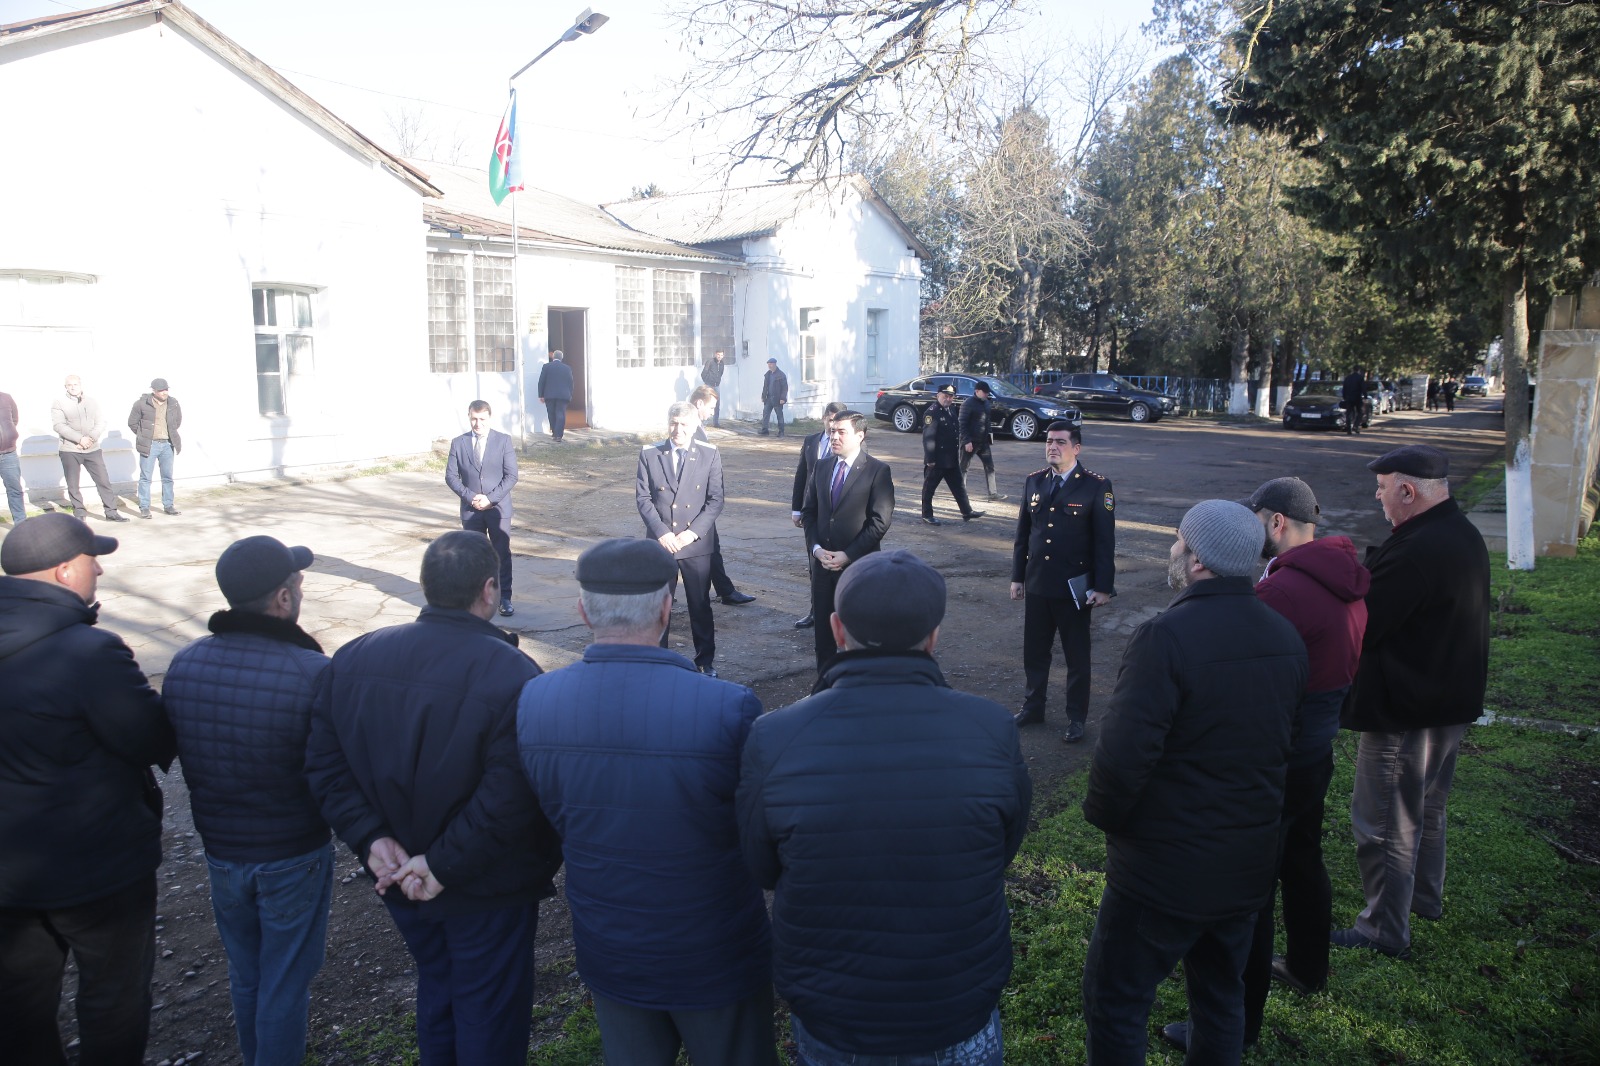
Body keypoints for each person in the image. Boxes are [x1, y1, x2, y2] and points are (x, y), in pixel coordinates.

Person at [738, 550, 1031, 1066]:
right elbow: (1001, 847)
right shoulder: (992, 728)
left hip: (835, 1013)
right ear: (934, 636)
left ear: (836, 629)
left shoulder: (775, 737)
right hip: (956, 1005)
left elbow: (763, 867)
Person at [305, 531, 562, 1066]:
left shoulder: (353, 658)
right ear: (489, 589)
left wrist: (373, 839)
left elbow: (327, 768)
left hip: (400, 877)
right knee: (488, 1012)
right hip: (482, 888)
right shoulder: (511, 673)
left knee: (441, 991)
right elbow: (511, 795)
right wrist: (435, 863)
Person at [518, 538, 777, 1066]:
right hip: (717, 954)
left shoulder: (537, 701)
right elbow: (760, 832)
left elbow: (549, 816)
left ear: (583, 611)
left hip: (611, 949)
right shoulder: (727, 707)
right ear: (667, 607)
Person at [1082, 500, 1307, 1066]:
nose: (1173, 550)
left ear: (1199, 561)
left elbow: (1123, 758)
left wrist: (1108, 820)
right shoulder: (1285, 635)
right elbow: (1288, 747)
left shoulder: (1165, 638)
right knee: (1220, 995)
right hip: (1245, 863)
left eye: (1180, 541)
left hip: (1164, 872)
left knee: (1117, 1001)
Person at [1163, 478, 1368, 1052]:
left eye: (1254, 523)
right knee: (1301, 860)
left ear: (1275, 523)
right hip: (1315, 749)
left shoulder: (1283, 592)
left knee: (1249, 893)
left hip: (1276, 757)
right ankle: (1307, 965)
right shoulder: (1341, 575)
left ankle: (1237, 1023)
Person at [0, 513, 176, 1064]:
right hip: (98, 869)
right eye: (93, 559)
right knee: (113, 997)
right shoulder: (88, 653)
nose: (99, 569)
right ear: (65, 571)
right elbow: (149, 737)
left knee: (20, 1007)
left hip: (8, 877)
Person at [162, 535, 331, 1066]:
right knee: (284, 983)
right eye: (298, 585)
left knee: (248, 974)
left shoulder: (185, 664)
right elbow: (333, 772)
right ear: (283, 599)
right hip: (292, 855)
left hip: (220, 851)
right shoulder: (312, 673)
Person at [1334, 444, 1489, 959]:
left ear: (1407, 490)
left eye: (1381, 490)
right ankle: (1421, 899)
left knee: (1384, 821)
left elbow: (1368, 622)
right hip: (1446, 700)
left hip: (1407, 708)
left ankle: (1383, 928)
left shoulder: (1419, 547)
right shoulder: (1458, 532)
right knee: (1426, 810)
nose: (1377, 499)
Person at [1010, 422, 1115, 744]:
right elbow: (1023, 536)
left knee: (1076, 657)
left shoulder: (1096, 486)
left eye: (1060, 442)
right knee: (1035, 652)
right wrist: (1017, 577)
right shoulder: (1034, 481)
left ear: (1076, 448)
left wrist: (1102, 587)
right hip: (1039, 584)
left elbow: (1104, 542)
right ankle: (1033, 706)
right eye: (1049, 441)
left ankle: (1076, 717)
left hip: (1074, 589)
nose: (1052, 447)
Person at [637, 402, 725, 675]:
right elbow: (643, 498)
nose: (678, 429)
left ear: (695, 425)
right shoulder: (650, 454)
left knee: (699, 604)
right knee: (659, 607)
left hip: (695, 543)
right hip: (661, 543)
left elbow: (715, 500)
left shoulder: (709, 453)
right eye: (674, 423)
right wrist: (662, 533)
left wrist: (690, 534)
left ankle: (705, 661)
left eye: (684, 424)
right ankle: (657, 661)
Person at [800, 411, 894, 670]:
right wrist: (816, 549)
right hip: (822, 566)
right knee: (824, 635)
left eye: (842, 432)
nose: (834, 436)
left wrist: (848, 555)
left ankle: (862, 688)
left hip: (859, 568)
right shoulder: (821, 466)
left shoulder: (877, 471)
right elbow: (809, 513)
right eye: (832, 431)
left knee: (861, 634)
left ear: (860, 435)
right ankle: (825, 688)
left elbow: (879, 522)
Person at [444, 399, 518, 617]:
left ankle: (504, 598)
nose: (478, 424)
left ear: (489, 418)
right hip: (471, 509)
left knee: (501, 554)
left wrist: (490, 499)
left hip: (498, 509)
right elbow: (450, 476)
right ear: (469, 416)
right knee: (473, 556)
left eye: (482, 419)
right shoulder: (459, 443)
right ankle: (476, 600)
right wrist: (471, 497)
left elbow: (511, 475)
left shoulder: (503, 441)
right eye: (474, 419)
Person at [689, 385, 755, 607]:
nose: (712, 411)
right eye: (711, 406)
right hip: (695, 504)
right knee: (702, 548)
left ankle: (724, 590)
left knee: (711, 547)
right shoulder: (690, 429)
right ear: (699, 404)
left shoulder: (698, 427)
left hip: (701, 502)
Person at [789, 401, 849, 629]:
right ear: (823, 418)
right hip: (812, 513)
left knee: (839, 566)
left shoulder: (848, 445)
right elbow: (801, 476)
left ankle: (842, 613)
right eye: (829, 418)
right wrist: (797, 508)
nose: (831, 424)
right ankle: (816, 611)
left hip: (837, 514)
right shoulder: (811, 441)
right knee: (815, 564)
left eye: (836, 420)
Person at [51, 374, 127, 522]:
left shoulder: (92, 402)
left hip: (92, 448)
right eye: (69, 385)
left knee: (103, 481)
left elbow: (100, 422)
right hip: (70, 449)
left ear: (81, 385)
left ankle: (111, 512)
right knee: (73, 484)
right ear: (65, 387)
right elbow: (59, 425)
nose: (73, 387)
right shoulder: (59, 403)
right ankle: (79, 513)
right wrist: (79, 439)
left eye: (75, 384)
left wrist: (90, 439)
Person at [921, 385, 983, 524]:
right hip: (937, 460)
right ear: (938, 395)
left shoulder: (951, 410)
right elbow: (928, 437)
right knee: (929, 489)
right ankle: (927, 515)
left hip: (951, 459)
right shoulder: (932, 412)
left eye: (950, 396)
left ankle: (966, 512)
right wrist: (930, 459)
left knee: (959, 487)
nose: (948, 399)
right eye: (945, 396)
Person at [127, 377, 183, 518]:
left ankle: (169, 505)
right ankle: (145, 507)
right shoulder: (141, 404)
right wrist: (144, 436)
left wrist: (169, 434)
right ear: (154, 391)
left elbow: (177, 421)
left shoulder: (173, 403)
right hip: (149, 445)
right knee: (145, 477)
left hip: (167, 444)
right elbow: (132, 423)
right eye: (161, 390)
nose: (164, 393)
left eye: (166, 389)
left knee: (167, 477)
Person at [961, 380, 1005, 503]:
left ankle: (993, 493)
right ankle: (961, 493)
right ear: (977, 391)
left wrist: (989, 435)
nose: (987, 395)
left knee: (990, 466)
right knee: (963, 468)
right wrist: (966, 441)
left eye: (987, 392)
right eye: (985, 392)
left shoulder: (986, 403)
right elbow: (962, 424)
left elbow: (987, 421)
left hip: (983, 442)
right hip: (970, 442)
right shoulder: (968, 404)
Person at [536, 350, 574, 442]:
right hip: (563, 395)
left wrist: (540, 395)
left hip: (549, 395)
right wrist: (570, 394)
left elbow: (541, 381)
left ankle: (554, 433)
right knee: (560, 414)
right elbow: (571, 383)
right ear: (561, 358)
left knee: (551, 414)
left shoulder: (546, 367)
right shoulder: (567, 368)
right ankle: (559, 436)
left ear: (553, 357)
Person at [1, 387, 25, 523]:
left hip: (9, 454)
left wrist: (8, 435)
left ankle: (21, 527)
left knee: (15, 491)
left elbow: (14, 420)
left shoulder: (6, 398)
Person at [759, 357, 788, 437]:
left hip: (778, 399)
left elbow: (785, 388)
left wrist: (783, 398)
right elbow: (765, 387)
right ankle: (764, 430)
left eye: (771, 364)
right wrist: (763, 396)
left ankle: (781, 432)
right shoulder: (767, 374)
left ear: (775, 364)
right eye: (768, 364)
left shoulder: (781, 375)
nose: (770, 366)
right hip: (768, 398)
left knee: (779, 415)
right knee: (765, 414)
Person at [700, 349, 726, 427]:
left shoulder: (722, 363)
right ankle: (702, 422)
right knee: (705, 403)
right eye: (718, 355)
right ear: (715, 354)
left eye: (721, 355)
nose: (719, 356)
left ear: (723, 356)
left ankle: (716, 423)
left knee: (717, 404)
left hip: (716, 386)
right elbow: (703, 373)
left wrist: (717, 381)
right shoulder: (710, 362)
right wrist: (707, 382)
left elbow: (721, 373)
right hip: (709, 385)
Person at [1341, 367, 1365, 435]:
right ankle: (1356, 426)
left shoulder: (1348, 378)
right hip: (1357, 398)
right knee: (1360, 412)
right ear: (1359, 370)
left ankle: (1349, 429)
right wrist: (1365, 396)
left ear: (1353, 370)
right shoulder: (1360, 378)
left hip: (1348, 398)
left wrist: (1344, 397)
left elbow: (1344, 388)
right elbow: (1363, 388)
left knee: (1348, 413)